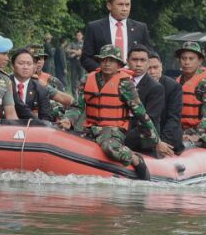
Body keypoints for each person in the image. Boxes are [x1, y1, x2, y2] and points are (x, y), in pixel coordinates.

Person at [60, 44, 157, 179]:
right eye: (104, 60)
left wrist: (155, 139)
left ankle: (135, 159)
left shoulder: (125, 83)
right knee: (67, 140)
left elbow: (139, 112)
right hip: (90, 128)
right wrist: (68, 120)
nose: (107, 64)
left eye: (111, 61)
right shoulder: (87, 79)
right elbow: (77, 106)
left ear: (119, 65)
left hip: (113, 130)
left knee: (109, 147)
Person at [79, 0, 154, 73]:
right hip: (104, 77)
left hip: (133, 77)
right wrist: (103, 72)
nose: (125, 9)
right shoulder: (94, 27)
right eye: (120, 5)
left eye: (127, 5)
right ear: (109, 6)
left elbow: (150, 54)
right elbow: (86, 58)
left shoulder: (140, 28)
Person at [123, 45, 172, 158]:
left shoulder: (156, 88)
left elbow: (150, 121)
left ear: (148, 62)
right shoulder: (119, 82)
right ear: (127, 61)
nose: (138, 64)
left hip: (141, 142)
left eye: (142, 60)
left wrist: (122, 138)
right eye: (134, 60)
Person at [175, 41, 206, 148]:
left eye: (191, 59)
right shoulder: (177, 82)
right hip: (180, 130)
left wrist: (197, 136)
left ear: (200, 61)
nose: (186, 62)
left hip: (205, 133)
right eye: (183, 58)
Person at [10, 47, 73, 122]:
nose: (38, 62)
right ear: (13, 65)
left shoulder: (44, 86)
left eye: (41, 59)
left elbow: (66, 99)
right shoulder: (6, 81)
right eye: (36, 59)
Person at [146, 52, 183, 148]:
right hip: (146, 137)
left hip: (168, 137)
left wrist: (161, 142)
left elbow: (173, 118)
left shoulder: (174, 87)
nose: (152, 72)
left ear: (161, 67)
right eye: (149, 68)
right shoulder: (137, 86)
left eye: (155, 67)